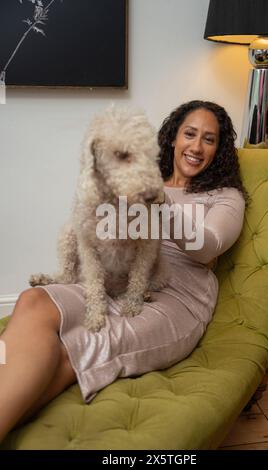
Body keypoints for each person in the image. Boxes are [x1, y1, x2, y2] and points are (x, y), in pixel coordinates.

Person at [0, 100, 246, 442]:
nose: (196, 146)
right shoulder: (136, 178)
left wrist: (160, 200)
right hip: (118, 276)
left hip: (174, 295)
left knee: (75, 347)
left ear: (219, 149)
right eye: (190, 134)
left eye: (209, 139)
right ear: (173, 138)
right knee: (32, 301)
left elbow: (209, 246)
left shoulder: (225, 196)